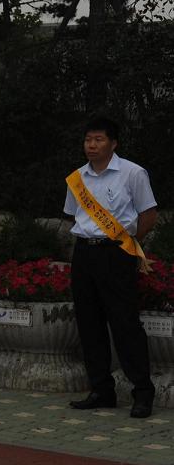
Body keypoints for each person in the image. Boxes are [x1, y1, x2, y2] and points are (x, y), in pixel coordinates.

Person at [64, 115, 159, 418]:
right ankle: (101, 389)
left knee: (125, 324)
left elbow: (148, 215)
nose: (91, 146)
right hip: (85, 254)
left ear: (113, 143)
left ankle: (142, 393)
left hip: (117, 254)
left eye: (99, 140)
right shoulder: (77, 177)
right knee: (89, 324)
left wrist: (128, 245)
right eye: (88, 140)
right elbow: (73, 216)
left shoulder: (133, 173)